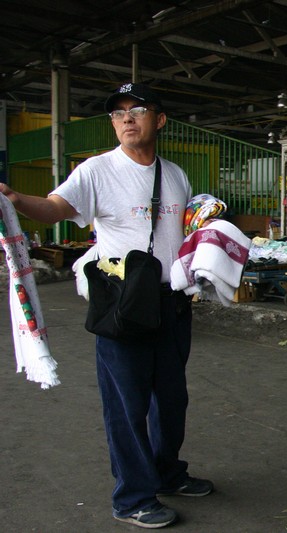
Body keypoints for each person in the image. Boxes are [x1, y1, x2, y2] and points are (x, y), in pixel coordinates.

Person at [0, 82, 212, 529]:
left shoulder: (174, 174)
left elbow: (185, 231)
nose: (127, 119)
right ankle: (133, 496)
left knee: (171, 399)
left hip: (171, 302)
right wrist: (17, 201)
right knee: (127, 404)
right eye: (118, 114)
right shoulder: (96, 170)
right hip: (123, 303)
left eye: (137, 110)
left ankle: (168, 472)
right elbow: (55, 207)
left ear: (160, 119)